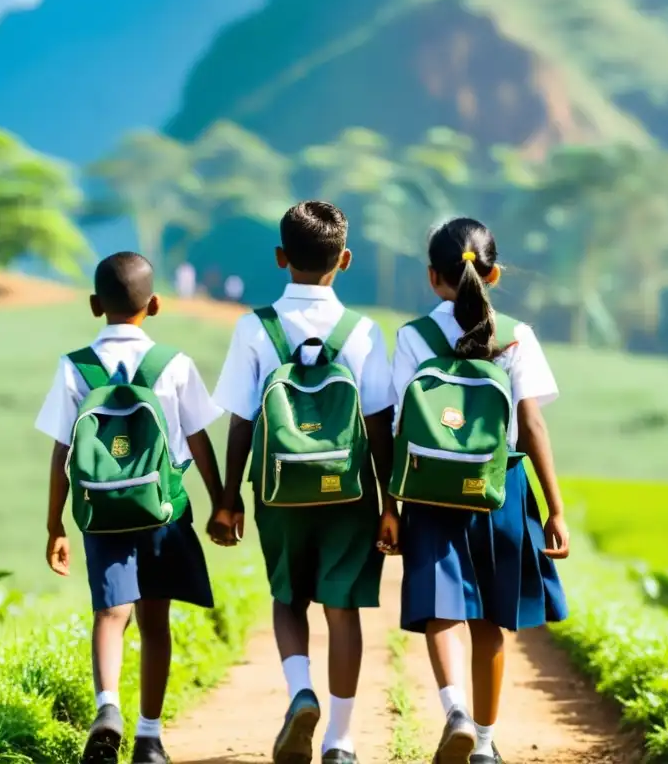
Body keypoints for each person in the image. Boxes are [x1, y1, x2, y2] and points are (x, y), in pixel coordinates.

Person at [208, 201, 395, 764]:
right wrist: (390, 505)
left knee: (288, 597)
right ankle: (340, 739)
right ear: (345, 259)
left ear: (280, 257)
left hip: (277, 488)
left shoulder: (253, 327)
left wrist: (228, 498)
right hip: (351, 491)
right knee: (343, 609)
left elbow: (242, 419)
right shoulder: (362, 332)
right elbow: (379, 422)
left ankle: (300, 693)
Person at [381, 218, 570, 764]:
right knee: (492, 621)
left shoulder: (413, 336)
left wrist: (390, 507)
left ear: (432, 276)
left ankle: (454, 711)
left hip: (429, 492)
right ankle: (484, 744)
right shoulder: (516, 334)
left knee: (442, 612)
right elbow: (532, 426)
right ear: (494, 272)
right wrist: (554, 509)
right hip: (501, 490)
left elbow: (398, 426)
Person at [35, 251, 225, 764]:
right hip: (163, 508)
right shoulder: (174, 364)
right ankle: (149, 736)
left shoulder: (74, 366)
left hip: (101, 514)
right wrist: (222, 501)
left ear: (95, 304)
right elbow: (198, 437)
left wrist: (55, 524)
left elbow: (61, 451)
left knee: (110, 612)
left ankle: (107, 706)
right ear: (155, 304)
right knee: (154, 620)